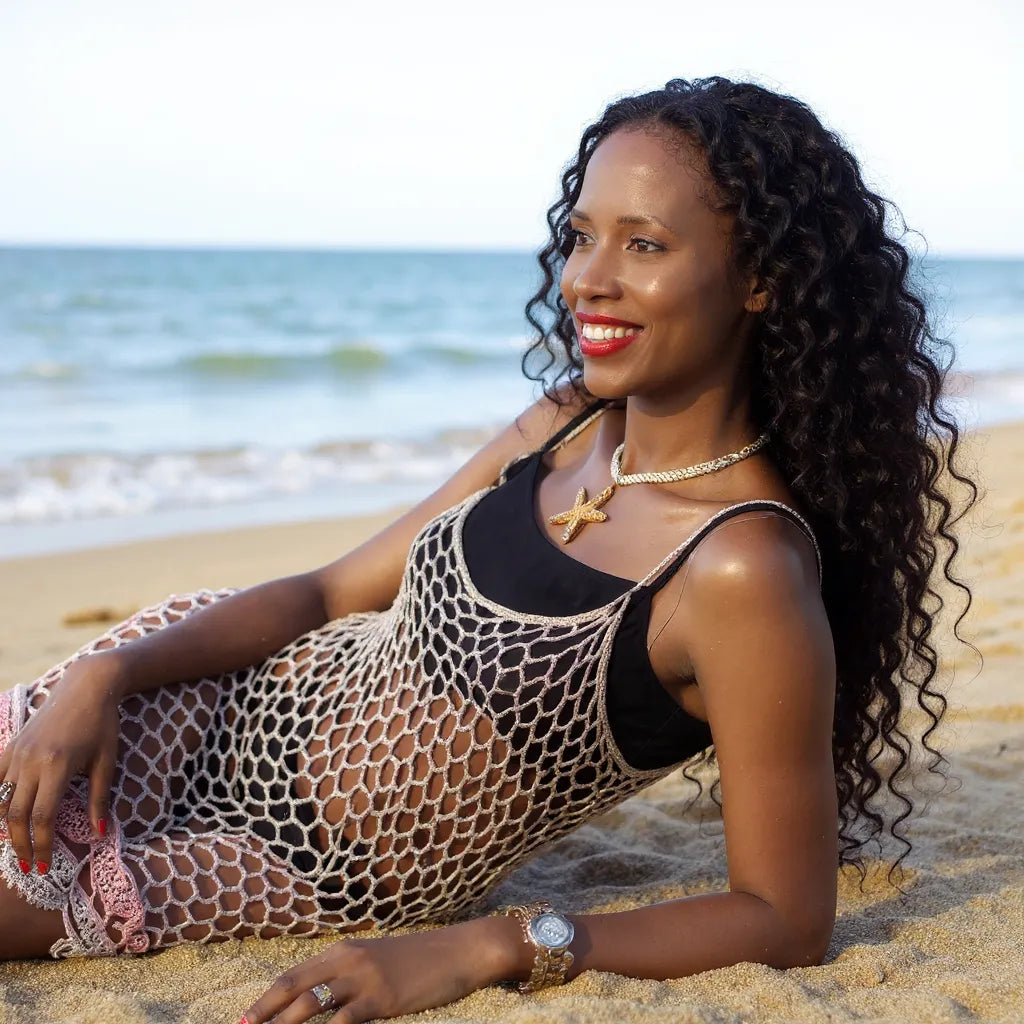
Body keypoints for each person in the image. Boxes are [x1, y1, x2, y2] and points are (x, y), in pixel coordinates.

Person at [0, 76, 976, 1024]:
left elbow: (784, 915)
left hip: (287, 859)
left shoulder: (740, 566)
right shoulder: (562, 423)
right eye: (583, 234)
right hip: (203, 697)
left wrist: (494, 945)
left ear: (762, 278)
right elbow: (328, 589)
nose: (590, 278)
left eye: (645, 244)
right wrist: (110, 672)